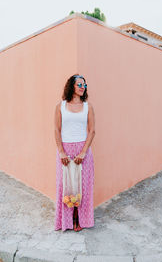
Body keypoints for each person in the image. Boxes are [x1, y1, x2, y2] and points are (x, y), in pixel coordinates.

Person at [54, 74, 95, 232]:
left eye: (84, 85)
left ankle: (79, 218)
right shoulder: (60, 106)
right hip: (65, 150)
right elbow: (56, 130)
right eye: (79, 84)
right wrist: (61, 152)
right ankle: (67, 220)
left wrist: (84, 152)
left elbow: (92, 131)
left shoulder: (88, 106)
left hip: (82, 150)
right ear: (71, 86)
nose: (82, 87)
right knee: (65, 185)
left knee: (83, 186)